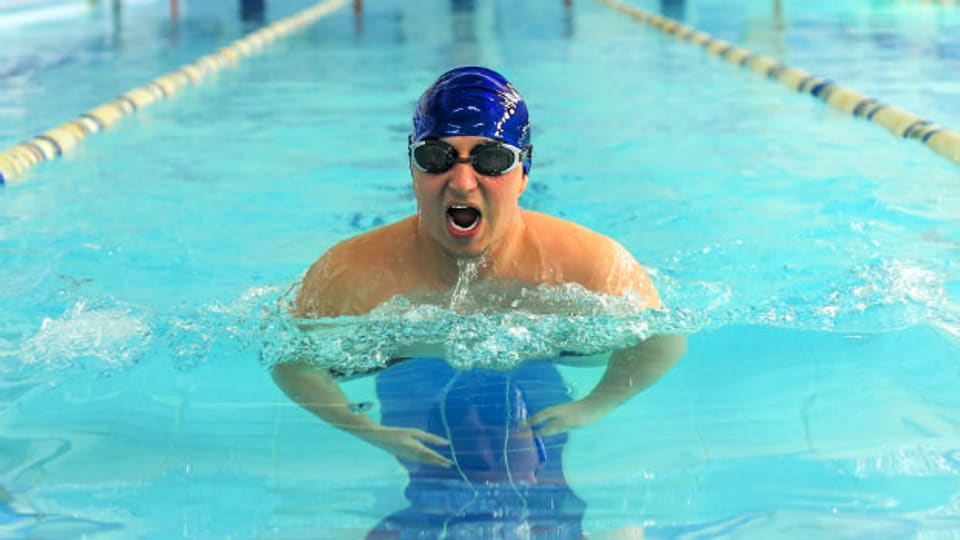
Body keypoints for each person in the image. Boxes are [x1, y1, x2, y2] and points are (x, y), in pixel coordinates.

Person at [272, 66, 685, 539]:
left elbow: (663, 339)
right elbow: (290, 359)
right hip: (410, 382)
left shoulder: (588, 264)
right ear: (412, 167)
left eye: (490, 159)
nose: (462, 182)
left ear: (524, 171)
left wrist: (595, 405)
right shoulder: (353, 274)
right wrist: (363, 428)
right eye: (436, 157)